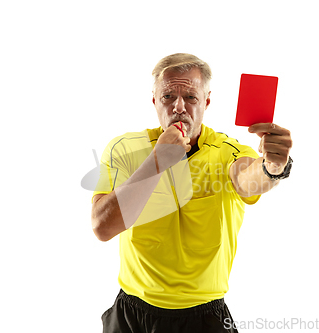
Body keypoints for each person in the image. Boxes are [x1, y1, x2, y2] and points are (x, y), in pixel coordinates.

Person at [91, 53, 293, 332]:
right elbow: (102, 227)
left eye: (191, 97)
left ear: (206, 101)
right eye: (167, 97)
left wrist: (273, 166)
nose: (179, 107)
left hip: (204, 317)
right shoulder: (124, 148)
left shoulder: (228, 151)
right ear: (154, 101)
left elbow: (248, 178)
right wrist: (157, 161)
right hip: (132, 313)